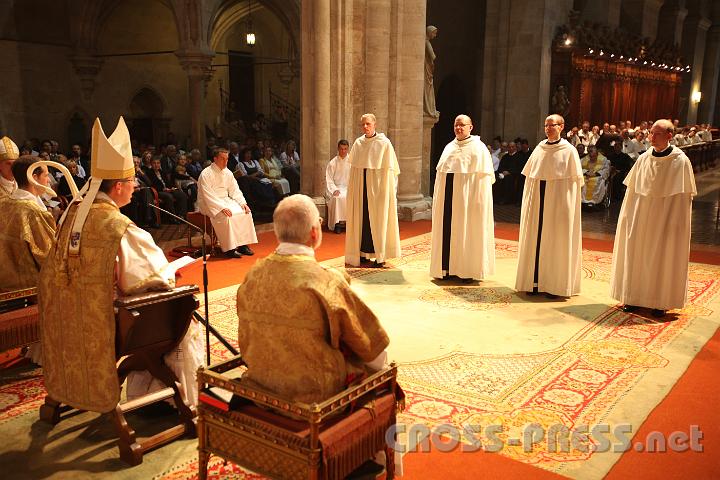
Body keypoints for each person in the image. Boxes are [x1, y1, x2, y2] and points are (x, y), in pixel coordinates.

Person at [39, 117, 204, 412]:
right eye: (132, 181)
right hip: (114, 324)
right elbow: (149, 278)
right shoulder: (116, 226)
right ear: (117, 188)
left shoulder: (73, 214)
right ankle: (166, 399)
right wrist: (171, 271)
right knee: (182, 314)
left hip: (70, 317)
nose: (135, 186)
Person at [236, 194, 389, 404]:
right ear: (314, 233)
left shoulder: (252, 275)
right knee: (378, 371)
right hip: (315, 396)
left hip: (260, 384)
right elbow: (375, 356)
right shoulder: (327, 281)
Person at [610, 119, 697, 317]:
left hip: (666, 219)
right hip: (641, 217)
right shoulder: (644, 159)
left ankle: (660, 301)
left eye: (656, 133)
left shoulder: (680, 161)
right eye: (651, 132)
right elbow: (632, 193)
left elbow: (682, 200)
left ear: (669, 135)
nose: (651, 137)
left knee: (662, 257)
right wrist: (628, 218)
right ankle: (632, 297)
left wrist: (675, 224)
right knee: (636, 253)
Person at [515, 114, 583, 298]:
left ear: (561, 126)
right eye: (546, 125)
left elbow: (574, 184)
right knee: (535, 239)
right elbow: (531, 178)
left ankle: (555, 285)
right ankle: (533, 281)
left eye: (552, 125)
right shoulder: (539, 148)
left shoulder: (569, 151)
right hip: (538, 202)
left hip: (558, 205)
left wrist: (566, 208)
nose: (548, 128)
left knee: (555, 241)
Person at [430, 115, 495, 282]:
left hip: (469, 203)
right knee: (447, 232)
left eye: (462, 125)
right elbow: (441, 176)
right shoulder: (449, 147)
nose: (458, 128)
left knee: (467, 232)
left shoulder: (479, 149)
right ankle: (446, 269)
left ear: (471, 127)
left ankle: (467, 271)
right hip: (448, 202)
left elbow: (484, 182)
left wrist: (479, 203)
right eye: (456, 125)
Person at [345, 113, 401, 267]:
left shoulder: (384, 143)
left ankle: (379, 256)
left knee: (377, 221)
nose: (365, 127)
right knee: (362, 221)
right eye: (362, 124)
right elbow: (354, 170)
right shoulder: (358, 143)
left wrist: (388, 191)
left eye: (368, 124)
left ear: (375, 124)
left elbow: (391, 171)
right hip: (361, 189)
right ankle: (362, 253)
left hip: (378, 191)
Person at [0, 156, 56, 291]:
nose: (48, 180)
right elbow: (49, 257)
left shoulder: (3, 204)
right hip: (31, 289)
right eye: (46, 175)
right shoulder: (34, 212)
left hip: (5, 284)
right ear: (34, 177)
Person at [197, 147, 258, 258]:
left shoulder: (228, 172)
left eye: (227, 159)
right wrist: (220, 207)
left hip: (225, 200)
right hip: (210, 203)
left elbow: (235, 190)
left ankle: (242, 245)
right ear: (215, 159)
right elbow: (207, 194)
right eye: (222, 159)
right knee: (227, 216)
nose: (226, 162)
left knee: (245, 212)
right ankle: (229, 249)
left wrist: (242, 203)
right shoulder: (205, 174)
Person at [325, 139, 351, 233]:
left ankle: (350, 223)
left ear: (348, 149)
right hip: (336, 188)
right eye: (341, 149)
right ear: (338, 149)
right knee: (338, 198)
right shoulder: (332, 163)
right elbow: (329, 179)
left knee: (352, 197)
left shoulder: (352, 162)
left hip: (349, 188)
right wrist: (334, 190)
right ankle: (338, 224)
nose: (343, 151)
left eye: (345, 149)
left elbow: (355, 178)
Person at [424, 26, 439, 118]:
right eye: (434, 33)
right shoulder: (427, 43)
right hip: (427, 68)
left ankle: (429, 109)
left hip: (428, 68)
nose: (435, 35)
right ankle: (429, 110)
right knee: (428, 89)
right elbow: (433, 56)